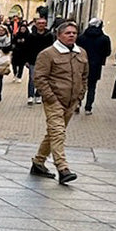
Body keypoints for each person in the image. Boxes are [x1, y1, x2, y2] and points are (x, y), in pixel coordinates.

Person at [29, 19, 87, 185]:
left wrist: (80, 96)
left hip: (72, 101)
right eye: (68, 33)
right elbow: (39, 78)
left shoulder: (81, 53)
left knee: (53, 134)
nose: (71, 36)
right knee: (58, 132)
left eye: (74, 33)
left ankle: (38, 162)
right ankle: (62, 168)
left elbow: (84, 76)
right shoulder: (48, 54)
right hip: (54, 100)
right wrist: (50, 97)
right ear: (59, 35)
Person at [76, 18, 111, 114]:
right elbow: (107, 52)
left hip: (81, 64)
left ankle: (77, 103)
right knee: (92, 87)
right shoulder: (104, 39)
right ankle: (88, 108)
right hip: (96, 65)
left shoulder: (81, 37)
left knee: (79, 85)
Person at [19, 17, 55, 104]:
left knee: (43, 79)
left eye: (43, 23)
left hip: (45, 61)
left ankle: (38, 94)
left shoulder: (49, 36)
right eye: (39, 23)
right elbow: (26, 48)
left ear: (45, 24)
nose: (41, 25)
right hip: (33, 60)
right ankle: (30, 96)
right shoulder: (31, 36)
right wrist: (26, 60)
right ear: (36, 24)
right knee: (32, 78)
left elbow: (52, 48)